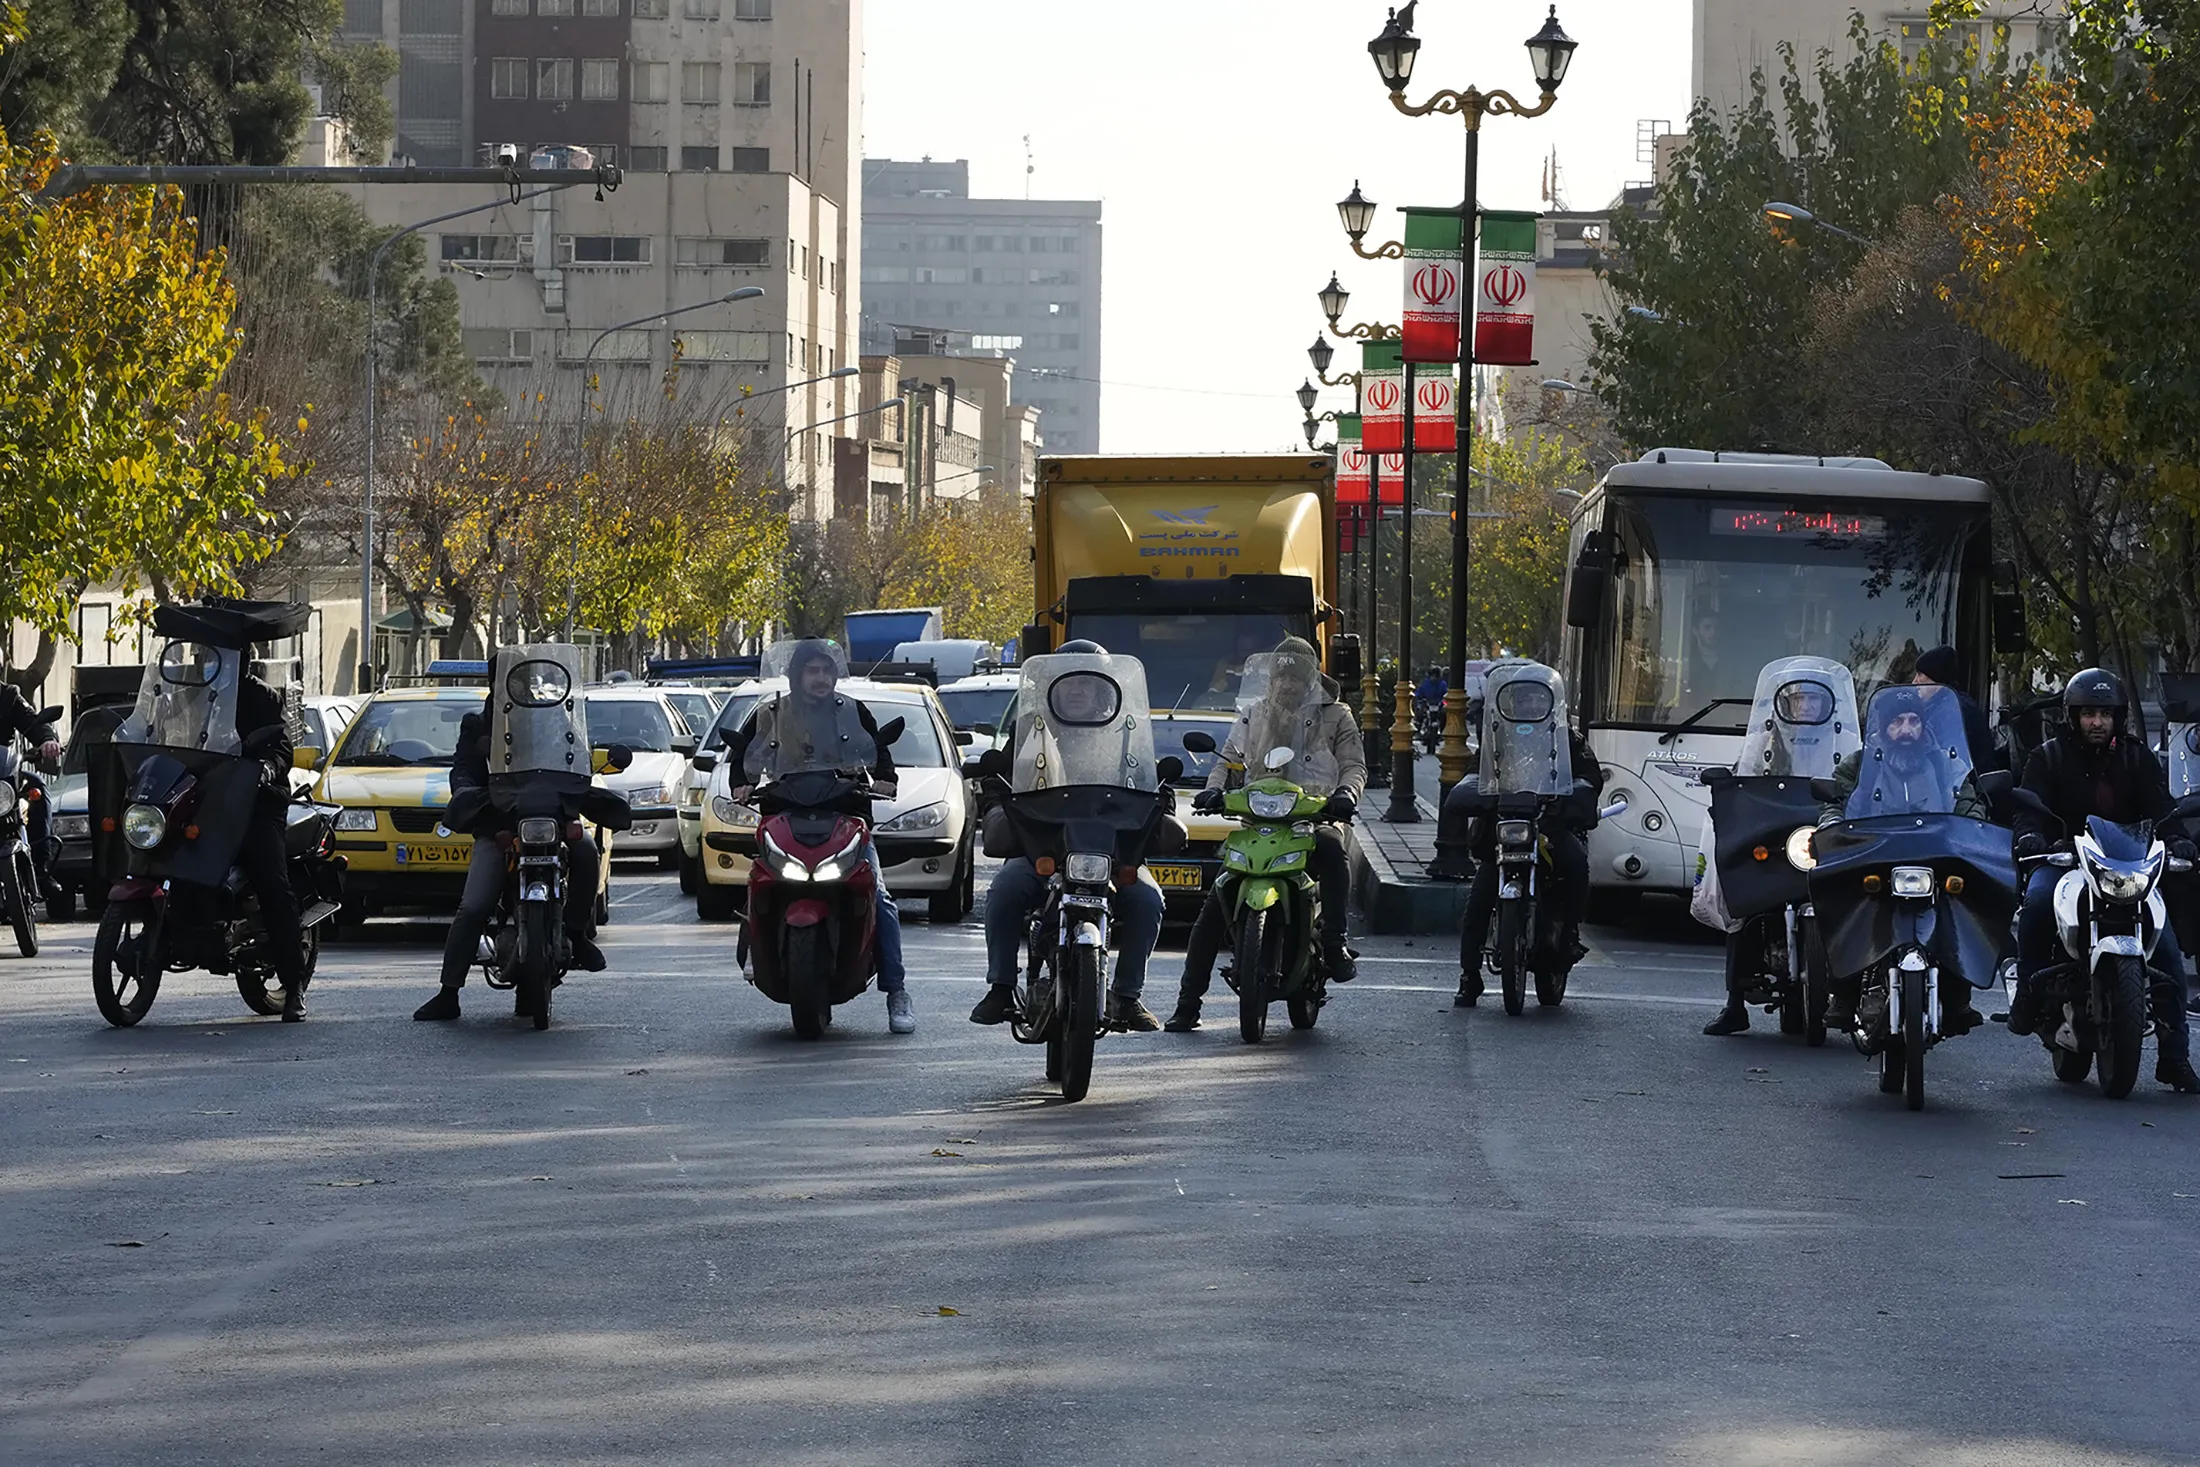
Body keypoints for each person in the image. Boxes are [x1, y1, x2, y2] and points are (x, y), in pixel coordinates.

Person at [2007, 668, 2199, 1092]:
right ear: (2072, 716)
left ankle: (2175, 1057)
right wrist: (2030, 835)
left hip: (2126, 868)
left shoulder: (2136, 757)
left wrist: (2179, 841)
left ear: (2118, 717)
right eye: (2089, 714)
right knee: (2037, 902)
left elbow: (2162, 808)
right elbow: (2028, 808)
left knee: (2166, 948)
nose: (2097, 722)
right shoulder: (2048, 757)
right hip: (2065, 860)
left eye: (2106, 714)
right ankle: (2027, 991)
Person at [1165, 637, 1365, 1031]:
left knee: (1331, 847)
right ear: (1271, 681)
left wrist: (1345, 794)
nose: (1287, 684)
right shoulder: (1254, 714)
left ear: (1311, 679)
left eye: (1296, 676)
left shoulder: (1337, 715)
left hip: (1314, 814)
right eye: (1281, 676)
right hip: (1259, 820)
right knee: (1214, 905)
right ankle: (1188, 1003)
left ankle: (1334, 940)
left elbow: (1354, 764)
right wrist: (1213, 789)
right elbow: (1227, 759)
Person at [970, 640, 1167, 1032]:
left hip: (1112, 850)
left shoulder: (1128, 730)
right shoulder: (1033, 728)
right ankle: (1001, 986)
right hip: (1041, 848)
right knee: (1005, 890)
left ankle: (1127, 996)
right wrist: (994, 800)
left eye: (1086, 683)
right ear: (1053, 686)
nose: (1075, 690)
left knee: (1148, 899)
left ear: (1105, 686)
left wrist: (1165, 808)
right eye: (1068, 683)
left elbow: (1152, 783)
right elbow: (1001, 779)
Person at [724, 640, 913, 1034]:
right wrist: (742, 784)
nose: (821, 678)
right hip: (785, 816)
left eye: (826, 671)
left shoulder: (853, 712)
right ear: (797, 675)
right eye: (813, 671)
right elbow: (745, 758)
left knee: (881, 899)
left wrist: (885, 781)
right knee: (758, 881)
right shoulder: (771, 714)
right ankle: (754, 953)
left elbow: (879, 756)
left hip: (845, 818)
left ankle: (897, 991)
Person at [1804, 683, 1990, 1039]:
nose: (1906, 730)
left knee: (1962, 905)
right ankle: (1843, 995)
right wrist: (1832, 826)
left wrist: (1974, 827)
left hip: (1935, 855)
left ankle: (1957, 999)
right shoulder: (1861, 764)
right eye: (1897, 723)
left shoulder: (1946, 761)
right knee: (1847, 905)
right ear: (1883, 728)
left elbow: (1969, 801)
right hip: (1875, 853)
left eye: (1913, 722)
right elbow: (1836, 802)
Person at [413, 687, 607, 1023]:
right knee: (474, 904)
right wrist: (474, 806)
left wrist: (577, 800)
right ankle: (449, 992)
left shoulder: (555, 719)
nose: (518, 687)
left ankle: (576, 932)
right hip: (498, 824)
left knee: (587, 850)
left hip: (552, 818)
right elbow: (463, 773)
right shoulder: (479, 724)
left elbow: (577, 762)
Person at [1454, 720, 1603, 1007]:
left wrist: (1571, 793)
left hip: (1549, 822)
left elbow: (1590, 775)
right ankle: (1469, 975)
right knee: (1479, 898)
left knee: (1576, 865)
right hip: (1505, 824)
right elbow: (1476, 772)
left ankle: (1569, 934)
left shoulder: (1567, 738)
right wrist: (1475, 790)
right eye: (1524, 697)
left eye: (1537, 697)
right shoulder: (1498, 735)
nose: (1531, 704)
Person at [0, 683, 63, 906]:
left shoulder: (8, 696)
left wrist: (47, 739)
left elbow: (32, 720)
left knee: (37, 787)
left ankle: (40, 869)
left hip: (3, 777)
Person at [1912, 645, 1998, 772]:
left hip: (1967, 786)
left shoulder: (1955, 710)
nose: (1914, 681)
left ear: (1936, 676)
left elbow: (1942, 758)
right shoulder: (1943, 704)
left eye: (1920, 674)